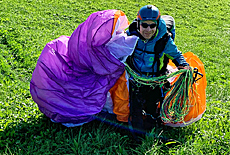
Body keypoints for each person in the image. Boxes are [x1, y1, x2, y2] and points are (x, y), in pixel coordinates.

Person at [125, 5, 189, 142]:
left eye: (152, 26)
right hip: (135, 80)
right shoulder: (130, 35)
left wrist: (184, 65)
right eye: (145, 25)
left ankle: (152, 130)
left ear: (157, 24)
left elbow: (176, 55)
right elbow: (118, 49)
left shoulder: (163, 40)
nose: (148, 30)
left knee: (151, 109)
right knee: (135, 109)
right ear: (138, 23)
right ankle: (137, 140)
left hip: (155, 81)